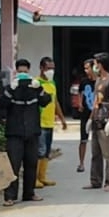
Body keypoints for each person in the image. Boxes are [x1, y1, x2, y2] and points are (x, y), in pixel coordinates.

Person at [0, 59, 51, 206]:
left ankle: (29, 193)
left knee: (31, 164)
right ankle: (10, 196)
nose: (23, 75)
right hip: (15, 133)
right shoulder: (9, 88)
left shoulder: (34, 87)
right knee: (13, 165)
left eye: (25, 72)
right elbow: (1, 103)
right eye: (20, 72)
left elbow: (46, 100)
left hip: (32, 132)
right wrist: (10, 90)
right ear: (16, 72)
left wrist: (39, 88)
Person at [85, 52, 109, 191]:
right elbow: (95, 102)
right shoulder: (98, 80)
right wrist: (90, 118)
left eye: (95, 63)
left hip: (105, 119)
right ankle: (95, 181)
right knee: (95, 153)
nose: (94, 66)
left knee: (107, 154)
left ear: (101, 64)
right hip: (96, 118)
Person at [35, 56, 67, 188]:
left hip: (49, 122)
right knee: (39, 151)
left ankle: (42, 177)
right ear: (41, 68)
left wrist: (62, 119)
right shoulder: (36, 83)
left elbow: (55, 102)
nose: (51, 71)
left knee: (46, 151)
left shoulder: (52, 83)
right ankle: (35, 178)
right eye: (48, 68)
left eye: (53, 68)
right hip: (39, 122)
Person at [77, 58, 97, 173]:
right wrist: (80, 103)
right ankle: (81, 163)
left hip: (96, 114)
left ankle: (96, 164)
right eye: (84, 68)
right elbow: (80, 93)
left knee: (97, 141)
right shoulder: (84, 82)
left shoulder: (99, 81)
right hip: (85, 114)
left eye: (87, 68)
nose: (86, 71)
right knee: (83, 140)